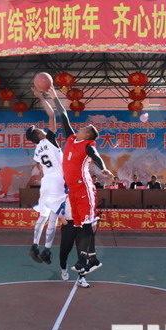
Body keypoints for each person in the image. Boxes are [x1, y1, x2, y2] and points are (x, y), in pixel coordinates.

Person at [48, 86, 114, 276]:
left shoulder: (87, 145)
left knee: (86, 224)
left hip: (84, 188)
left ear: (88, 135)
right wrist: (55, 97)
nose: (80, 128)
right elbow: (64, 117)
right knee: (78, 225)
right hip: (73, 191)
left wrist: (103, 168)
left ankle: (86, 260)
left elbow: (96, 156)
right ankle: (91, 260)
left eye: (84, 129)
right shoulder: (71, 139)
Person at [25, 87, 67, 264]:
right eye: (40, 129)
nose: (43, 129)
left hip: (46, 182)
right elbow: (52, 116)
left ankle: (34, 245)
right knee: (53, 218)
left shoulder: (37, 151)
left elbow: (41, 168)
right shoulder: (48, 140)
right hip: (57, 181)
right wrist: (41, 97)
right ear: (39, 134)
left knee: (42, 215)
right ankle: (47, 250)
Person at [58, 199, 92, 288]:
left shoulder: (85, 192)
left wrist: (93, 222)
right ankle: (63, 267)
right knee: (64, 250)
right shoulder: (64, 192)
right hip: (68, 223)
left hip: (82, 223)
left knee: (82, 251)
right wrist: (61, 216)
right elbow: (56, 203)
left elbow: (90, 205)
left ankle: (82, 278)